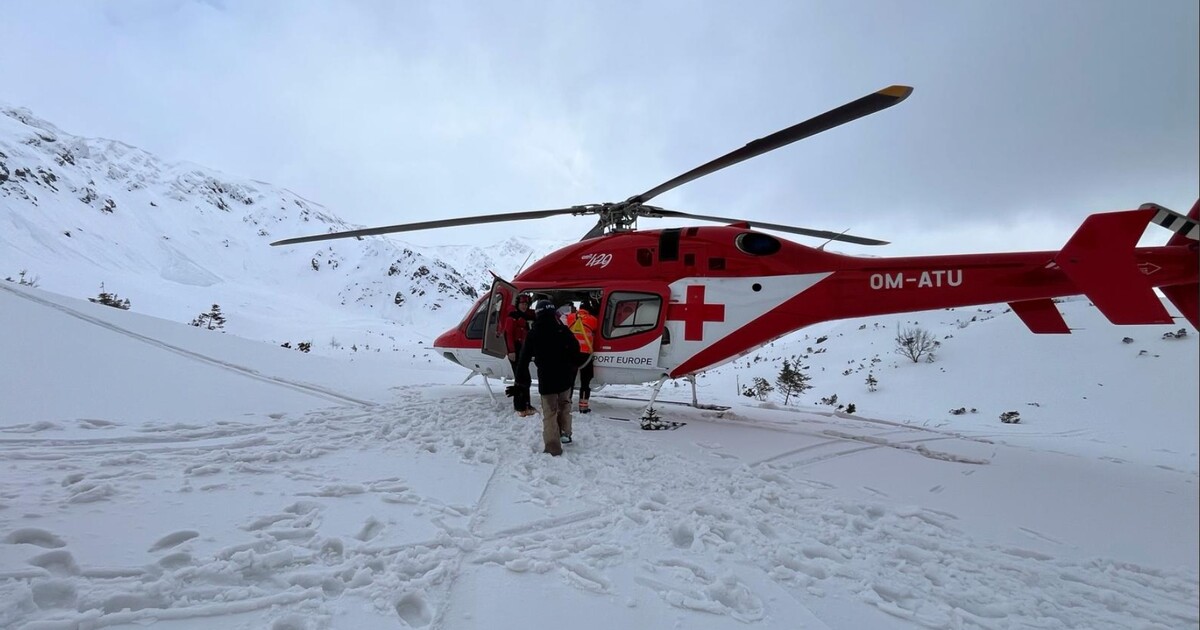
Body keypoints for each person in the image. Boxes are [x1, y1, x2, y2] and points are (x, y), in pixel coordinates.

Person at [516, 299, 582, 455]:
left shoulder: (533, 333)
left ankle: (553, 446)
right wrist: (572, 365)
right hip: (565, 376)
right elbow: (576, 348)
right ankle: (565, 433)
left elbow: (523, 359)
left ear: (538, 313)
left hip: (547, 379)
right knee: (564, 405)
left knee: (550, 412)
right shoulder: (562, 329)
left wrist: (519, 380)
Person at [503, 294, 536, 417]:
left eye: (526, 304)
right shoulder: (512, 317)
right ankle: (520, 406)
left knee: (524, 379)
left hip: (523, 351)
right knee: (522, 379)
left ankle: (525, 404)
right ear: (517, 304)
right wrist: (511, 351)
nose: (524, 306)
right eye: (522, 304)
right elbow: (508, 334)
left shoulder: (525, 315)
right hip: (516, 351)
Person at [566, 297, 600, 414]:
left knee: (569, 382)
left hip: (571, 354)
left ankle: (567, 405)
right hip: (586, 355)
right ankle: (583, 407)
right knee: (585, 382)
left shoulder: (570, 317)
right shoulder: (593, 319)